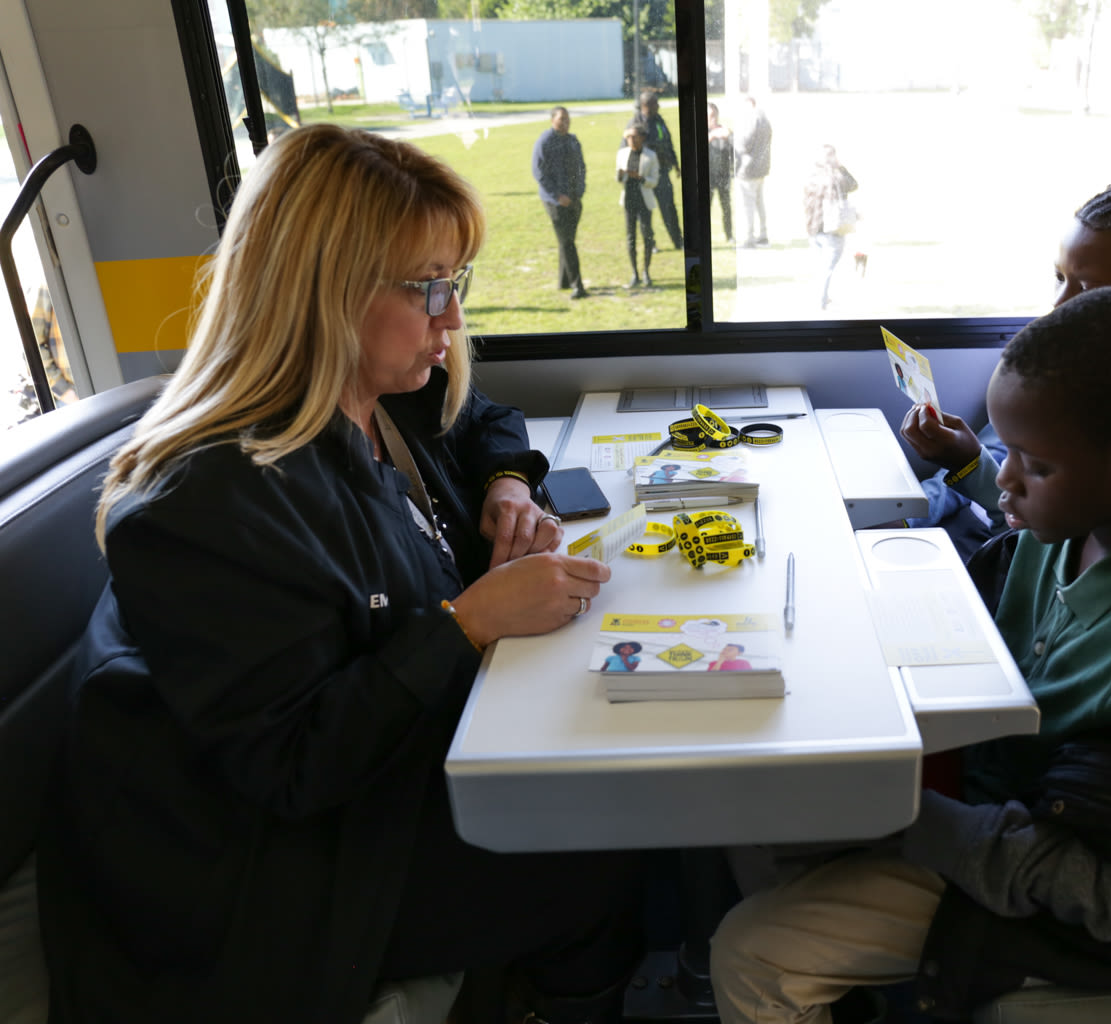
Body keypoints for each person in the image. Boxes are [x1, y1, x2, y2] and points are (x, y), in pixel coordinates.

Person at [35, 125, 644, 1024]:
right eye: (430, 289)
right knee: (605, 846)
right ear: (324, 292)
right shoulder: (201, 506)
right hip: (268, 877)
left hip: (372, 785)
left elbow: (484, 421)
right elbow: (291, 769)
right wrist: (468, 625)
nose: (453, 318)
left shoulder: (380, 402)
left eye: (456, 283)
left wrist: (506, 487)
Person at [710, 287, 1111, 1023]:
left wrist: (919, 820)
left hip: (1053, 887)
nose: (1003, 478)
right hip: (995, 802)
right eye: (1005, 454)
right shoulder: (1081, 522)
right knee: (747, 801)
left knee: (752, 953)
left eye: (1031, 465)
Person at [901, 181, 1111, 561]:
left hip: (1011, 550)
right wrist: (909, 516)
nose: (1059, 303)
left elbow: (1059, 532)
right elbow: (994, 465)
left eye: (1087, 287)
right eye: (1059, 278)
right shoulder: (1058, 362)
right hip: (973, 521)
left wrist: (967, 464)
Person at [532, 105, 588, 299]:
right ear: (552, 120)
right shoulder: (545, 141)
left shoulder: (573, 141)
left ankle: (564, 281)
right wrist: (557, 196)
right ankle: (577, 286)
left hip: (574, 199)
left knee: (568, 241)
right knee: (567, 242)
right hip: (555, 201)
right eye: (561, 119)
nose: (565, 122)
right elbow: (539, 172)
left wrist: (579, 192)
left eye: (567, 118)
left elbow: (582, 168)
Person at [802, 144, 858, 311]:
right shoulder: (837, 178)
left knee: (821, 267)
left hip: (813, 229)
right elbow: (854, 184)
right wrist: (841, 167)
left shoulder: (811, 176)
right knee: (827, 269)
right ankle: (820, 303)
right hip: (833, 229)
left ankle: (823, 298)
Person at [634, 89, 684, 249]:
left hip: (662, 172)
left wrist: (675, 163)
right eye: (655, 103)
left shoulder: (659, 120)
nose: (659, 105)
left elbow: (668, 142)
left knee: (669, 207)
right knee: (646, 211)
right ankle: (651, 244)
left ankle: (678, 241)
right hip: (646, 175)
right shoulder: (636, 123)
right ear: (645, 105)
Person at [616, 124, 659, 289]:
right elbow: (618, 178)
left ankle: (646, 272)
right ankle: (634, 273)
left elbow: (654, 181)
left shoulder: (650, 156)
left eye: (634, 137)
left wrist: (640, 178)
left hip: (644, 201)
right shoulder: (622, 154)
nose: (630, 140)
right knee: (630, 237)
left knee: (647, 236)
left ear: (642, 138)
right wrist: (620, 176)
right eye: (628, 137)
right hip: (629, 200)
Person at [734, 94, 773, 247]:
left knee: (748, 204)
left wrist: (734, 142)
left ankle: (749, 238)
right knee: (759, 202)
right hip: (762, 167)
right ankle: (763, 235)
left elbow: (745, 143)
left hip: (748, 169)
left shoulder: (751, 118)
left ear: (749, 104)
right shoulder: (765, 120)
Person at [707, 101, 735, 244]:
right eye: (710, 116)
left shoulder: (724, 130)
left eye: (715, 115)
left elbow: (735, 151)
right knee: (706, 208)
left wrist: (728, 136)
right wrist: (711, 137)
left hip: (723, 175)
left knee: (726, 207)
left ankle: (729, 235)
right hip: (708, 177)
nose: (713, 119)